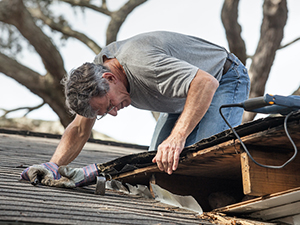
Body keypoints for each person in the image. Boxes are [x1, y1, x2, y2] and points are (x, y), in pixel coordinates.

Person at [21, 31, 250, 187]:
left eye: (110, 105)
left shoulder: (143, 64)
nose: (114, 112)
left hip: (224, 78)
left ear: (110, 78)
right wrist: (53, 166)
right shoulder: (94, 78)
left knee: (205, 163)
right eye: (105, 113)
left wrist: (177, 137)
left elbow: (205, 83)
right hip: (181, 97)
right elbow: (80, 129)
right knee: (158, 169)